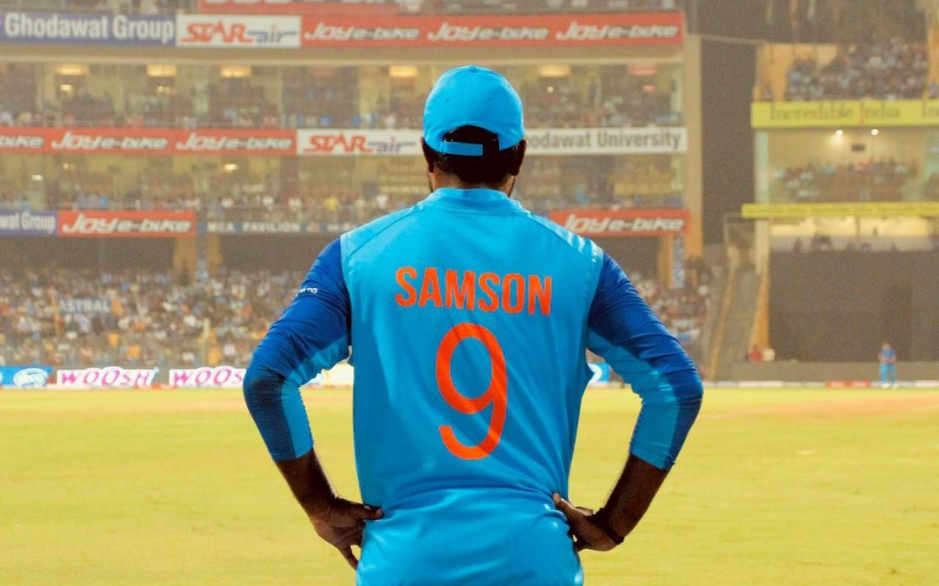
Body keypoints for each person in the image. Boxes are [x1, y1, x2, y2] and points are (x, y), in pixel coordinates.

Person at [243, 66, 703, 585]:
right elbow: (676, 388)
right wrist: (615, 522)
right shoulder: (582, 264)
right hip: (534, 562)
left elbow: (267, 380)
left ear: (426, 154)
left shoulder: (357, 257)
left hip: (404, 563)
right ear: (519, 156)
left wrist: (321, 505)